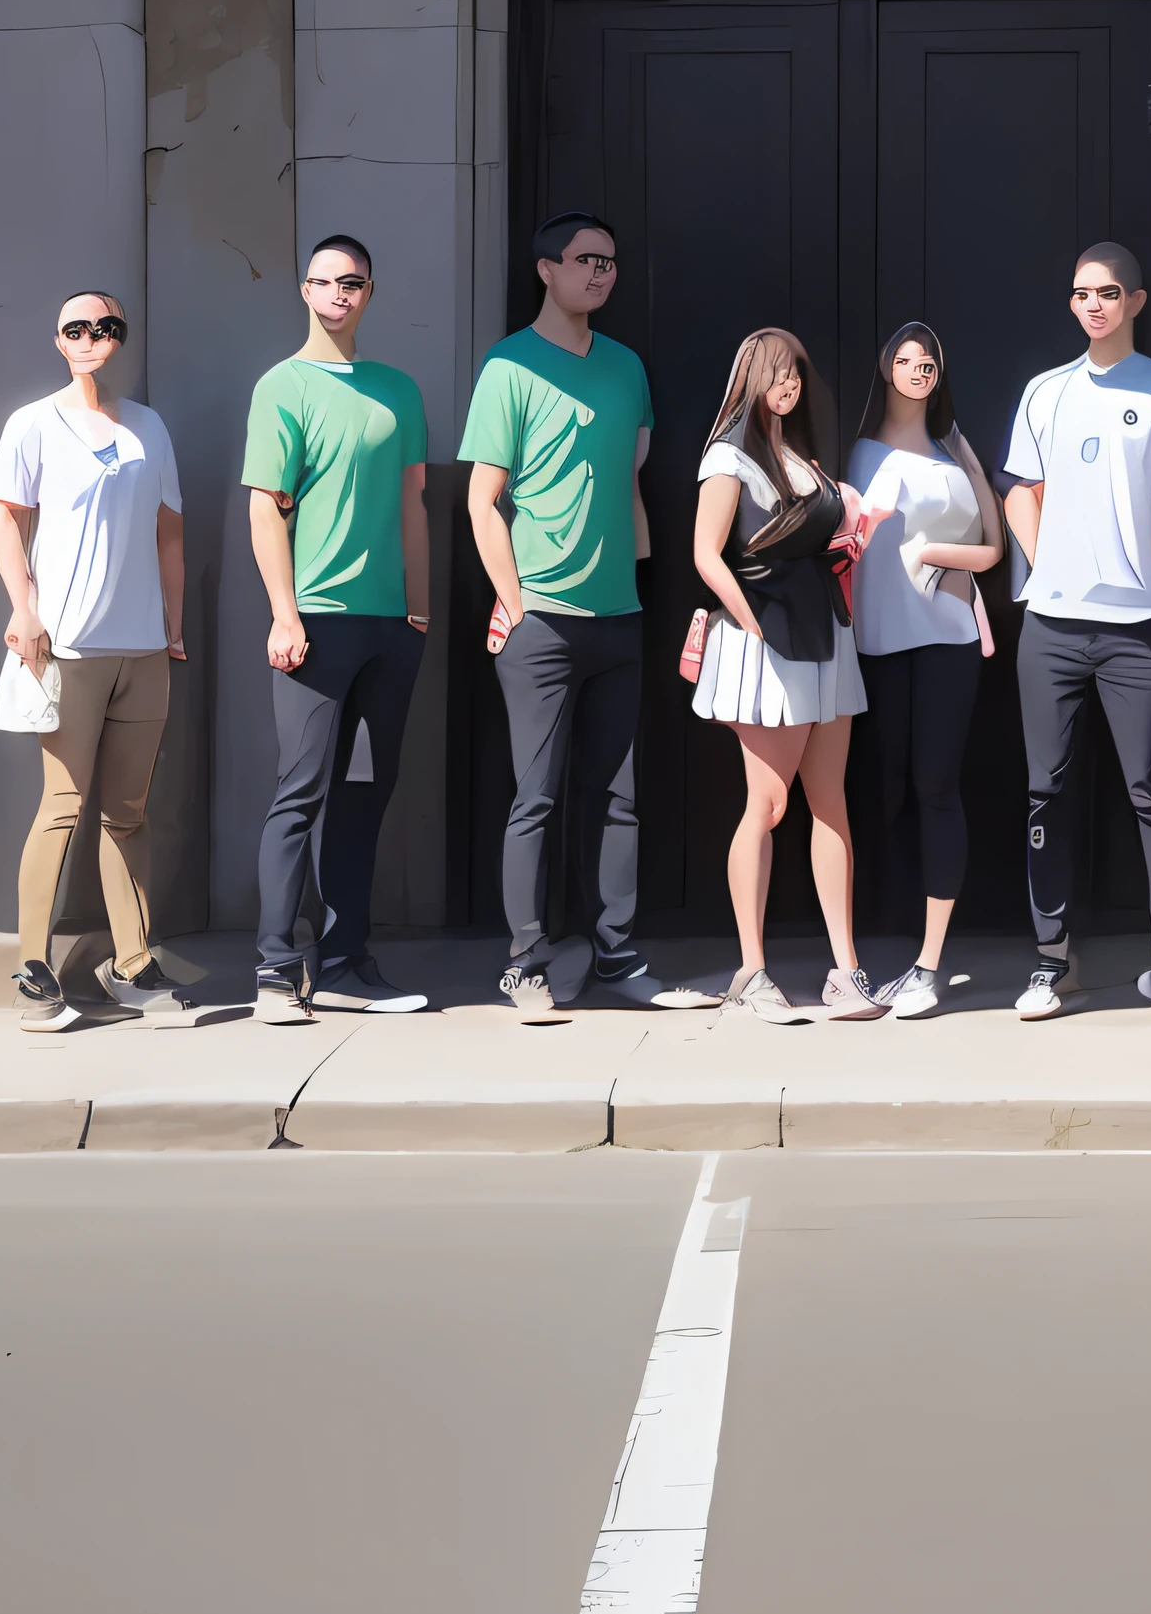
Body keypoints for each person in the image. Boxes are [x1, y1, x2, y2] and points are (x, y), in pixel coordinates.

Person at [1001, 241, 1151, 1023]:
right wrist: (1047, 560)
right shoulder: (1045, 393)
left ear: (1136, 301)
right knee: (1045, 792)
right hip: (1051, 627)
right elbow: (1020, 489)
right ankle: (1047, 963)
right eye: (1080, 292)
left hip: (1134, 630)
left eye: (1107, 292)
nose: (1092, 304)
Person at [464, 212, 664, 1025]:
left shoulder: (626, 367)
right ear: (546, 269)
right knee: (535, 797)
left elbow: (635, 464)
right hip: (540, 619)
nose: (602, 274)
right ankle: (525, 962)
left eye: (611, 263)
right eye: (587, 260)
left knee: (618, 798)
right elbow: (483, 499)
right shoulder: (508, 366)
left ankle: (616, 951)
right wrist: (514, 603)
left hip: (619, 613)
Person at [0, 290, 193, 1031]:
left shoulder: (148, 427)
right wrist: (23, 608)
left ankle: (131, 962)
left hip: (144, 649)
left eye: (104, 327)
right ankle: (32, 970)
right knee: (63, 806)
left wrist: (173, 623)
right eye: (77, 327)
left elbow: (170, 533)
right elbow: (1, 515)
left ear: (119, 338)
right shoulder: (33, 424)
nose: (91, 337)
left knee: (129, 814)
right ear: (59, 340)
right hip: (67, 647)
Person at [243, 234, 437, 1029]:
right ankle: (273, 972)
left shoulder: (399, 389)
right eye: (324, 281)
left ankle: (349, 961)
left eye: (351, 281)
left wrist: (419, 612)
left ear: (368, 291)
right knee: (301, 795)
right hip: (316, 623)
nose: (337, 294)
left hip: (393, 627)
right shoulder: (282, 387)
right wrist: (284, 614)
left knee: (365, 797)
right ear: (304, 291)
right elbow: (264, 507)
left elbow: (415, 503)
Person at [682, 326, 865, 1023]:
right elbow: (706, 553)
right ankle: (751, 971)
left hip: (823, 633)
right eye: (776, 373)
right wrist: (750, 624)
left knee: (831, 804)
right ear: (751, 376)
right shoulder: (729, 455)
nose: (787, 385)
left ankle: (845, 971)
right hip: (767, 641)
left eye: (796, 374)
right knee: (767, 806)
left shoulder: (796, 452)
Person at [843, 322, 1006, 1022]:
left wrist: (941, 556)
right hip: (876, 642)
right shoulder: (856, 454)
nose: (918, 369)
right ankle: (860, 954)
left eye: (929, 360)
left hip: (947, 638)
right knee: (882, 788)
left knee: (938, 787)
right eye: (904, 360)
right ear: (883, 369)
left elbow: (994, 548)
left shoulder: (955, 447)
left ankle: (929, 963)